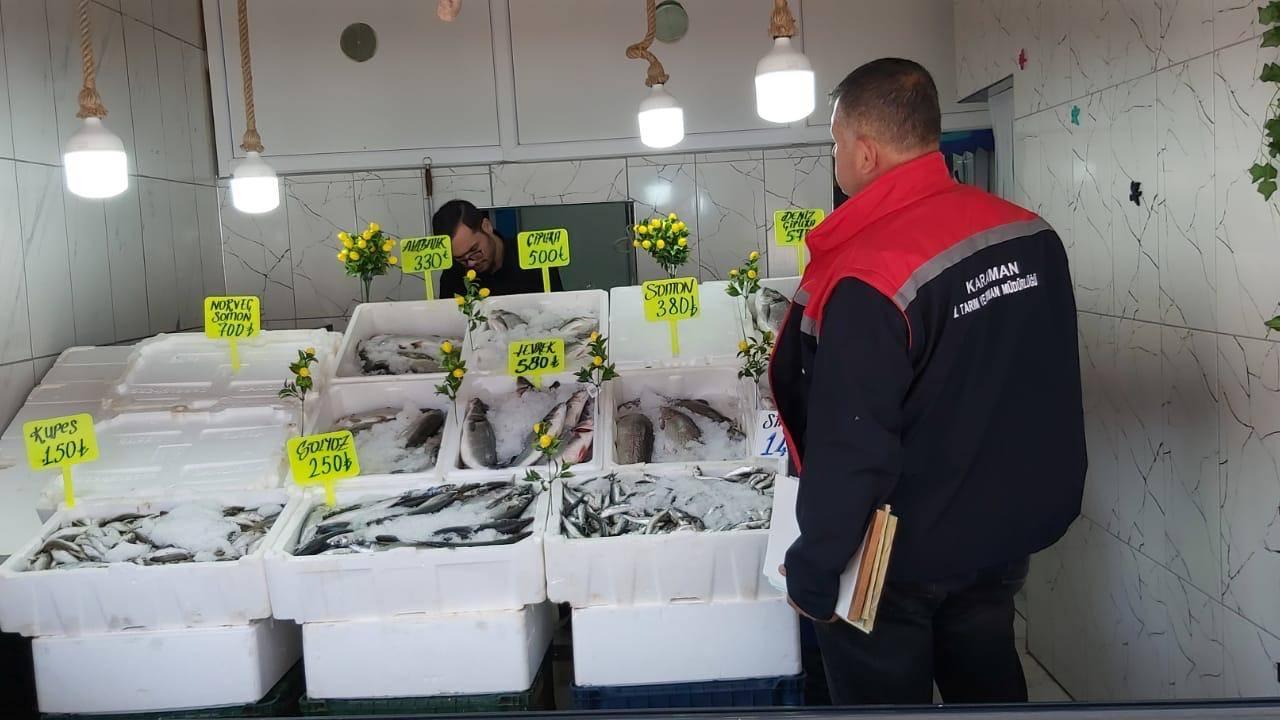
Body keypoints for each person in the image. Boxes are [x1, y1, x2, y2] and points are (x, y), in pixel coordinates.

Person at [769, 58, 1085, 705]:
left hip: (897, 558)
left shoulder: (868, 274)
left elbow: (854, 443)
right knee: (987, 678)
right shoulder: (1030, 234)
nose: (835, 159)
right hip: (1000, 537)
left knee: (885, 699)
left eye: (834, 144)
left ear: (863, 151)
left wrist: (817, 565)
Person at [432, 199, 564, 298]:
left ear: (487, 226)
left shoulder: (533, 260)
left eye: (474, 251)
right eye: (461, 259)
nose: (471, 263)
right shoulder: (452, 276)